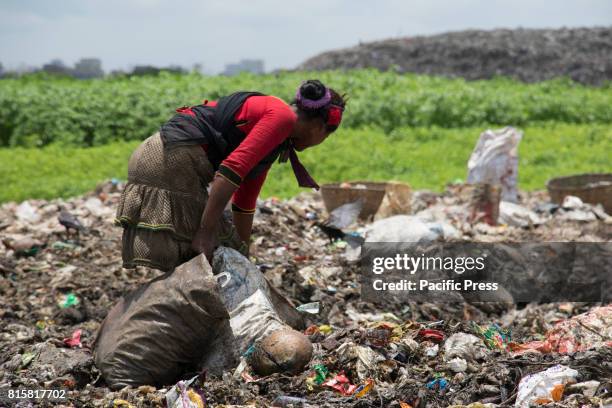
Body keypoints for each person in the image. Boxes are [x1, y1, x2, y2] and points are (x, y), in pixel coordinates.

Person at [115, 80, 346, 271]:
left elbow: (245, 202)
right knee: (201, 255)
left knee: (217, 253)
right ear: (319, 128)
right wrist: (205, 234)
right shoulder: (281, 118)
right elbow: (229, 173)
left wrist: (244, 253)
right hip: (170, 161)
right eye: (325, 137)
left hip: (157, 156)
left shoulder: (277, 130)